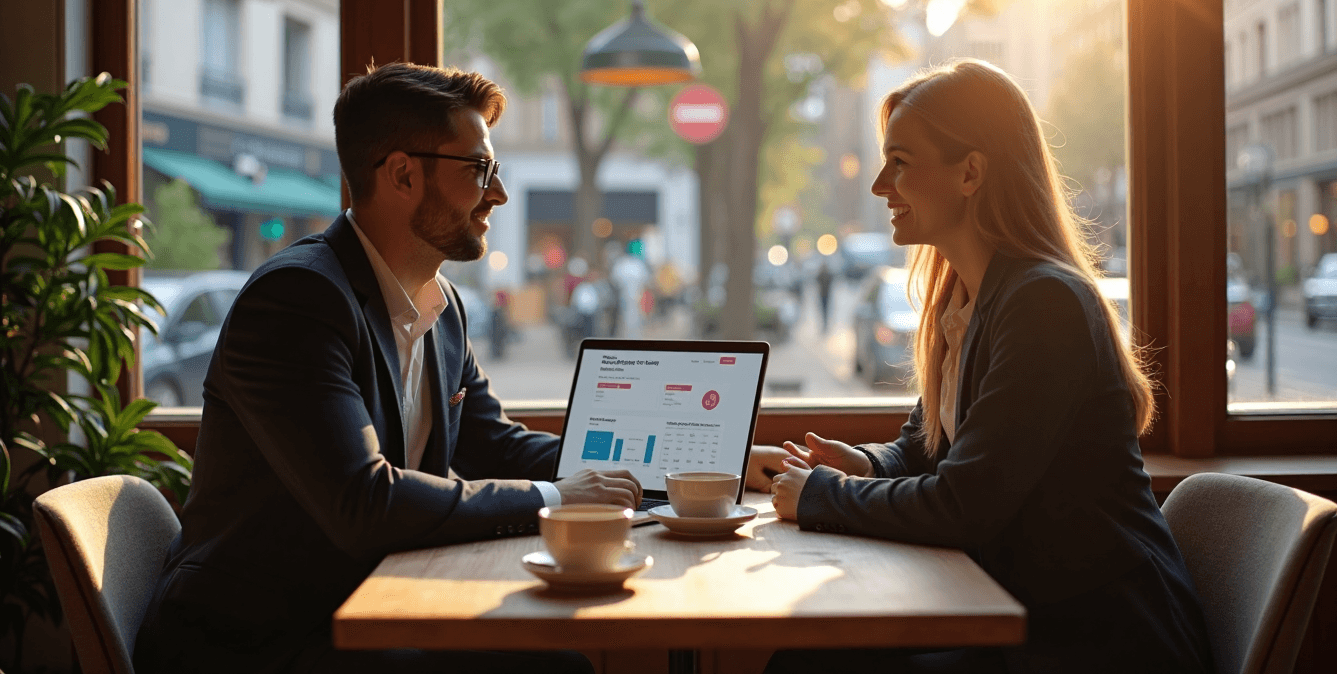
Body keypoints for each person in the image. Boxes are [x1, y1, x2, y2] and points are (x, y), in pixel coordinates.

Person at [134, 63, 642, 674]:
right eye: (479, 170)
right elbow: (363, 501)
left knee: (562, 656)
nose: (498, 194)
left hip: (366, 607)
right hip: (258, 640)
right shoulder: (297, 300)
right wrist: (560, 496)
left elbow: (493, 444)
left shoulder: (442, 305)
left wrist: (653, 470)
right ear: (402, 173)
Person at [749, 59, 1213, 674]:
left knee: (811, 665)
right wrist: (861, 464)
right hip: (1029, 616)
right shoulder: (966, 300)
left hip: (1098, 641)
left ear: (970, 173)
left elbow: (965, 504)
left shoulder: (1044, 305)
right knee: (810, 660)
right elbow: (925, 452)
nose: (880, 186)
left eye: (901, 163)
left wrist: (823, 496)